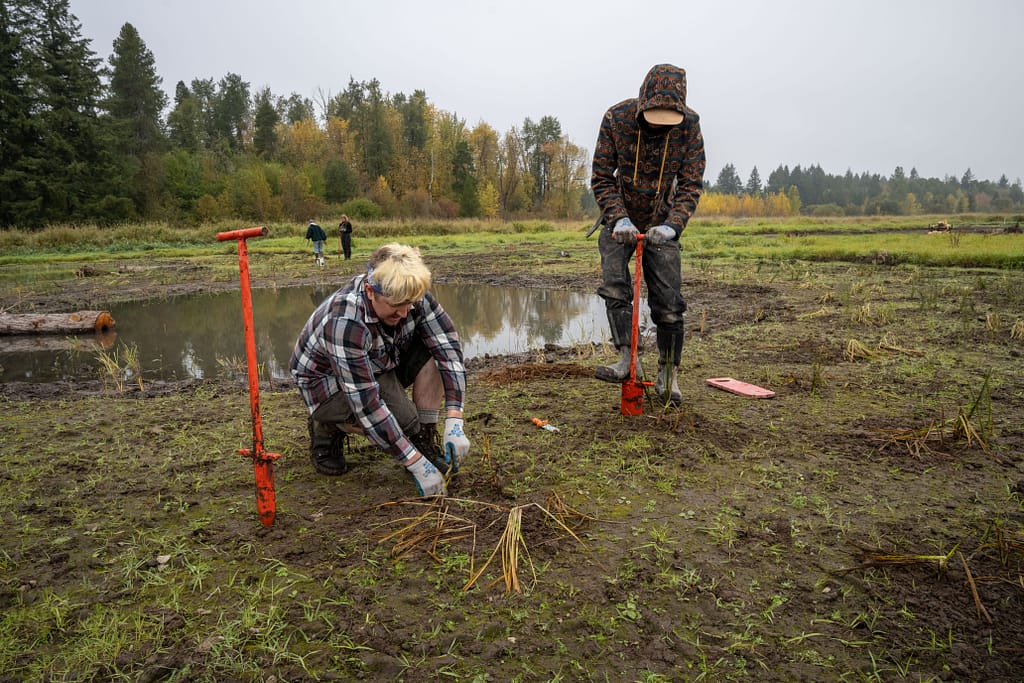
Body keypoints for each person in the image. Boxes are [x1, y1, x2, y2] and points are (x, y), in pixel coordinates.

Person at [289, 243, 470, 497]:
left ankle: (422, 438)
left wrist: (454, 417)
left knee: (434, 352)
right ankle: (328, 425)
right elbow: (367, 404)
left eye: (410, 303)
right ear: (370, 291)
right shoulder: (345, 320)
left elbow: (449, 349)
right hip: (328, 384)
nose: (405, 311)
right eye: (396, 304)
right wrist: (415, 464)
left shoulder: (409, 292)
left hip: (379, 362)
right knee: (396, 423)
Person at [590, 63, 706, 406]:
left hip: (663, 218)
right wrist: (619, 219)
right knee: (614, 286)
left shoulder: (690, 127)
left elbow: (690, 184)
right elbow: (601, 176)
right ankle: (628, 358)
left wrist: (672, 226)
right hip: (618, 215)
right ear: (643, 104)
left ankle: (669, 373)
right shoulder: (616, 118)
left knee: (669, 304)